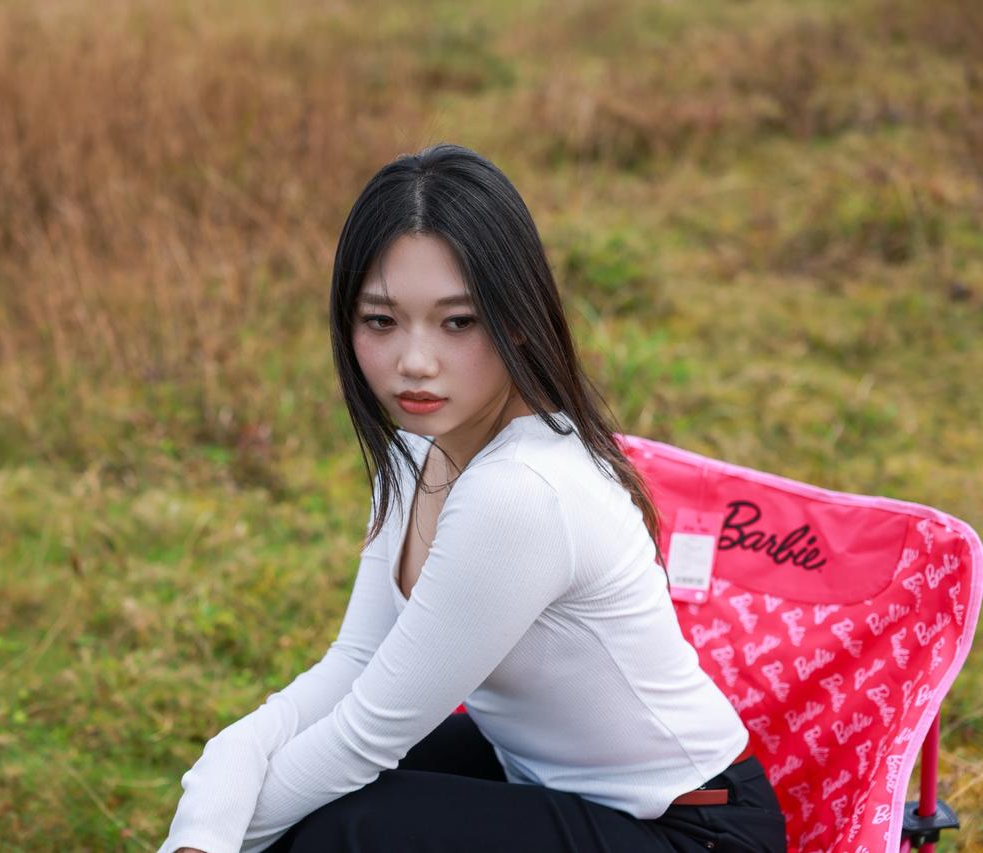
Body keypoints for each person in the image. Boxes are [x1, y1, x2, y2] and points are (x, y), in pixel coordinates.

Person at [157, 143, 788, 853]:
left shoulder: (522, 492)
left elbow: (364, 736)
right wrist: (218, 784)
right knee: (305, 792)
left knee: (342, 828)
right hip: (551, 782)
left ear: (516, 318)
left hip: (692, 832)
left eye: (458, 322)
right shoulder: (416, 452)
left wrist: (219, 843)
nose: (414, 362)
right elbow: (353, 663)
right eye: (381, 321)